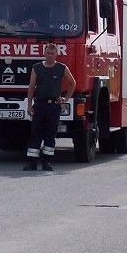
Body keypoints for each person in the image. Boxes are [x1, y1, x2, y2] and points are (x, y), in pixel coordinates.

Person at [24, 42, 76, 171]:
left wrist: (66, 98)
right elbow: (31, 87)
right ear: (44, 53)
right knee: (35, 134)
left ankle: (47, 162)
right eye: (48, 53)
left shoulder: (62, 68)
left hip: (53, 106)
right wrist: (29, 105)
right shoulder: (36, 68)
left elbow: (72, 83)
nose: (50, 56)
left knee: (50, 134)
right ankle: (32, 163)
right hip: (39, 105)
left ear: (57, 54)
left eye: (52, 53)